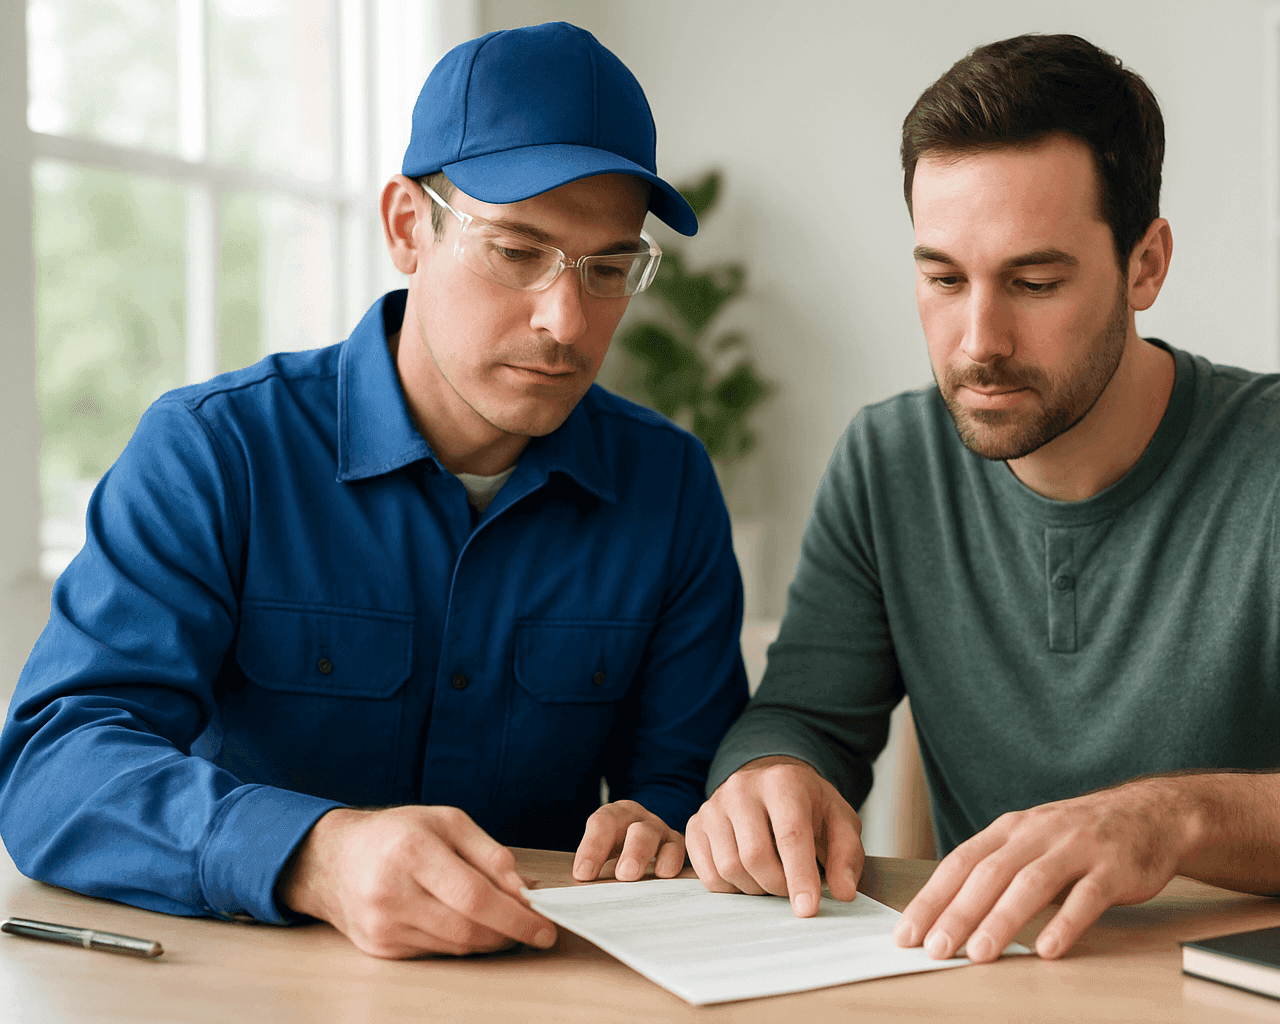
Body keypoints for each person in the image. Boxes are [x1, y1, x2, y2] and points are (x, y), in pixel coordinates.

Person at [686, 33, 1280, 963]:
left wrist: (1167, 817)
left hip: (1264, 991)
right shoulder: (886, 460)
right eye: (943, 277)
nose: (977, 340)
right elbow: (803, 720)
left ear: (1145, 265)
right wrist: (770, 775)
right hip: (999, 980)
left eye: (1034, 282)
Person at [0, 23, 748, 960]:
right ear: (407, 228)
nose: (566, 322)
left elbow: (692, 780)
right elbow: (54, 768)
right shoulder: (216, 453)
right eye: (517, 250)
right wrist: (315, 856)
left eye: (607, 270)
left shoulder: (668, 485)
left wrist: (668, 821)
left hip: (547, 985)